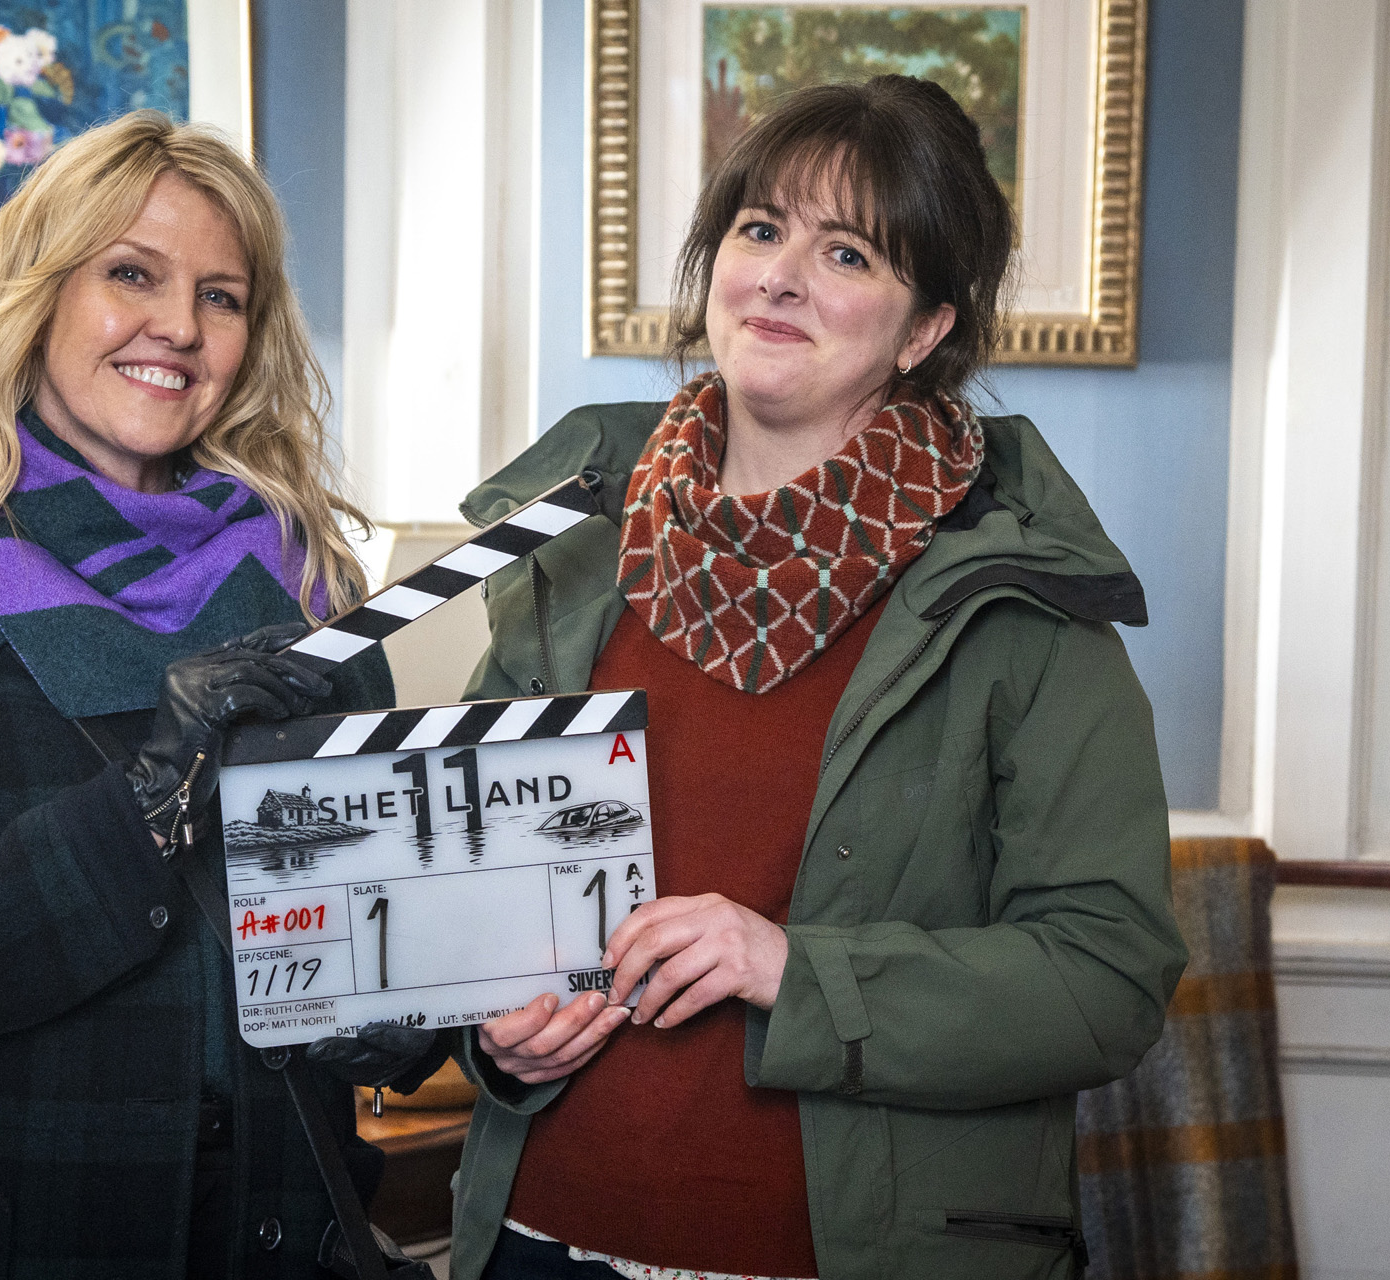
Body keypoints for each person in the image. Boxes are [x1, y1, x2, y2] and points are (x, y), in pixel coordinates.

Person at [448, 76, 1187, 1280]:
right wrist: (492, 1040)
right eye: (759, 229)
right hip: (538, 1239)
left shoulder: (1026, 607)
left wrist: (794, 966)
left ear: (923, 330)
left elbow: (1106, 978)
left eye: (845, 251)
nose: (782, 276)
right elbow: (463, 903)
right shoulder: (571, 555)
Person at [0, 111, 436, 1280]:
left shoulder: (322, 604)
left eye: (222, 296)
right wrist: (148, 800)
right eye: (131, 274)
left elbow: (356, 969)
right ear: (39, 297)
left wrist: (400, 1015)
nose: (179, 328)